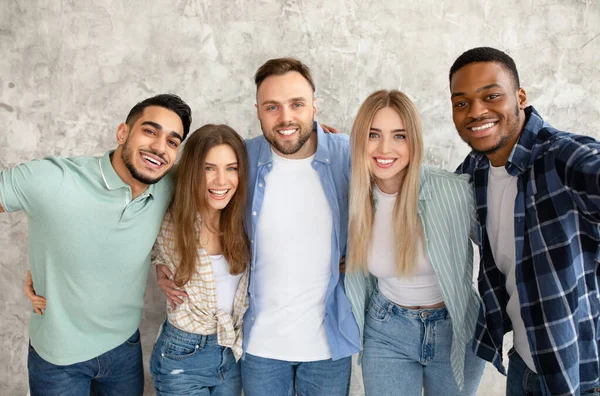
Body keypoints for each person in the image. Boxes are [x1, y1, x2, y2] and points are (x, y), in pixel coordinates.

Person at [157, 58, 360, 395]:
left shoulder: (348, 156)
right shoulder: (241, 159)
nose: (285, 118)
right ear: (257, 111)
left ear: (315, 106)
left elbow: (394, 201)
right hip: (260, 348)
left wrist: (358, 259)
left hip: (330, 346)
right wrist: (161, 261)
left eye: (297, 104)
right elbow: (170, 193)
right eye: (272, 107)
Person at [2, 94, 192, 396]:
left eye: (172, 141)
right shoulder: (52, 179)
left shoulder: (168, 187)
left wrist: (161, 265)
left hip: (124, 348)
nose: (159, 147)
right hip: (57, 358)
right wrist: (42, 267)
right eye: (150, 131)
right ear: (123, 133)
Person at [450, 46, 600, 396]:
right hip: (524, 365)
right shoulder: (478, 169)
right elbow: (422, 195)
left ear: (520, 97)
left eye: (491, 96)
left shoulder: (562, 157)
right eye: (461, 102)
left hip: (579, 375)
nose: (476, 111)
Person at [344, 90, 486, 395]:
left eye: (399, 136)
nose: (385, 148)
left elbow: (504, 250)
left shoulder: (453, 191)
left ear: (414, 141)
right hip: (386, 331)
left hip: (456, 329)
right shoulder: (355, 200)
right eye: (373, 135)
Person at [149, 124, 250, 395]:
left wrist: (314, 136)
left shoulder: (244, 222)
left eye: (231, 168)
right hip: (183, 356)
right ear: (193, 171)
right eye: (209, 168)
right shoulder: (170, 220)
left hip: (232, 354)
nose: (221, 181)